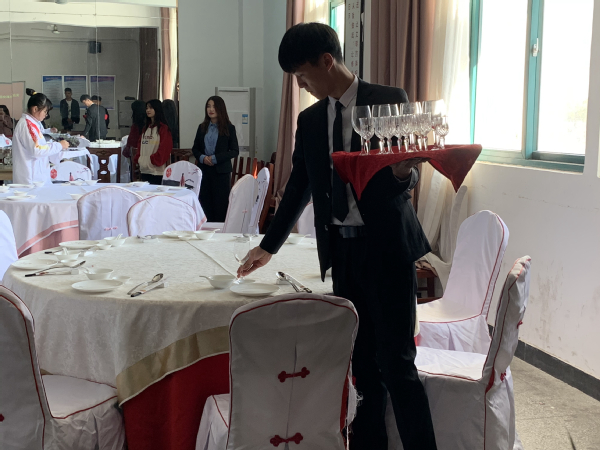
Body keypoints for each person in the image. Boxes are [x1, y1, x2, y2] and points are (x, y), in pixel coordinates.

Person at [238, 23, 437, 450]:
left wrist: (403, 173)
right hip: (342, 253)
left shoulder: (388, 100)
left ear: (327, 61)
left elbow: (405, 175)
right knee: (360, 366)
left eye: (302, 75)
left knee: (397, 365)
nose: (301, 85)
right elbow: (299, 186)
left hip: (387, 249)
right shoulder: (310, 119)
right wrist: (268, 246)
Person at [192, 96, 239, 222]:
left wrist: (215, 158)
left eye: (214, 106)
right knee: (205, 204)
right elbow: (195, 149)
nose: (211, 109)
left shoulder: (229, 128)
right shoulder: (202, 127)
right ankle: (206, 230)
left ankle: (221, 231)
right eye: (208, 106)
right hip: (204, 170)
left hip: (221, 172)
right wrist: (202, 158)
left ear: (220, 108)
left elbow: (235, 151)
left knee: (220, 206)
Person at [12, 91, 69, 184]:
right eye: (45, 111)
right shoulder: (27, 125)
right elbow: (37, 149)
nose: (46, 115)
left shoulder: (33, 123)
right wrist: (59, 145)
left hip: (35, 175)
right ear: (35, 109)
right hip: (31, 179)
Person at [133, 99, 173, 185]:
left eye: (151, 108)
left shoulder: (163, 128)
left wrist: (152, 160)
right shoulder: (145, 128)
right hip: (144, 169)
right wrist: (140, 159)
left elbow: (164, 148)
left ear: (157, 109)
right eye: (147, 108)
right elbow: (140, 145)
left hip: (157, 171)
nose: (148, 110)